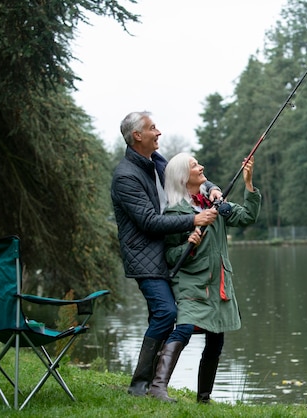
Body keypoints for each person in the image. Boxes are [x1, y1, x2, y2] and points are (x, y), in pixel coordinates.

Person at [111, 111, 221, 397]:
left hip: (171, 251)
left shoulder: (155, 162)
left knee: (176, 314)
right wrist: (193, 220)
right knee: (165, 312)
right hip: (145, 257)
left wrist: (211, 188)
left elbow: (186, 175)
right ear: (137, 135)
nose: (158, 132)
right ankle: (140, 386)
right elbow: (148, 221)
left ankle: (156, 386)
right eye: (152, 128)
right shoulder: (125, 176)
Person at [147, 152, 261, 403]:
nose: (201, 167)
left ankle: (204, 398)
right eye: (195, 165)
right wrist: (190, 243)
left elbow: (247, 217)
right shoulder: (176, 212)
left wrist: (249, 183)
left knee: (216, 338)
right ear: (183, 177)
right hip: (191, 283)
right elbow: (169, 255)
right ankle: (157, 387)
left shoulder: (215, 204)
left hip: (217, 282)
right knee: (184, 328)